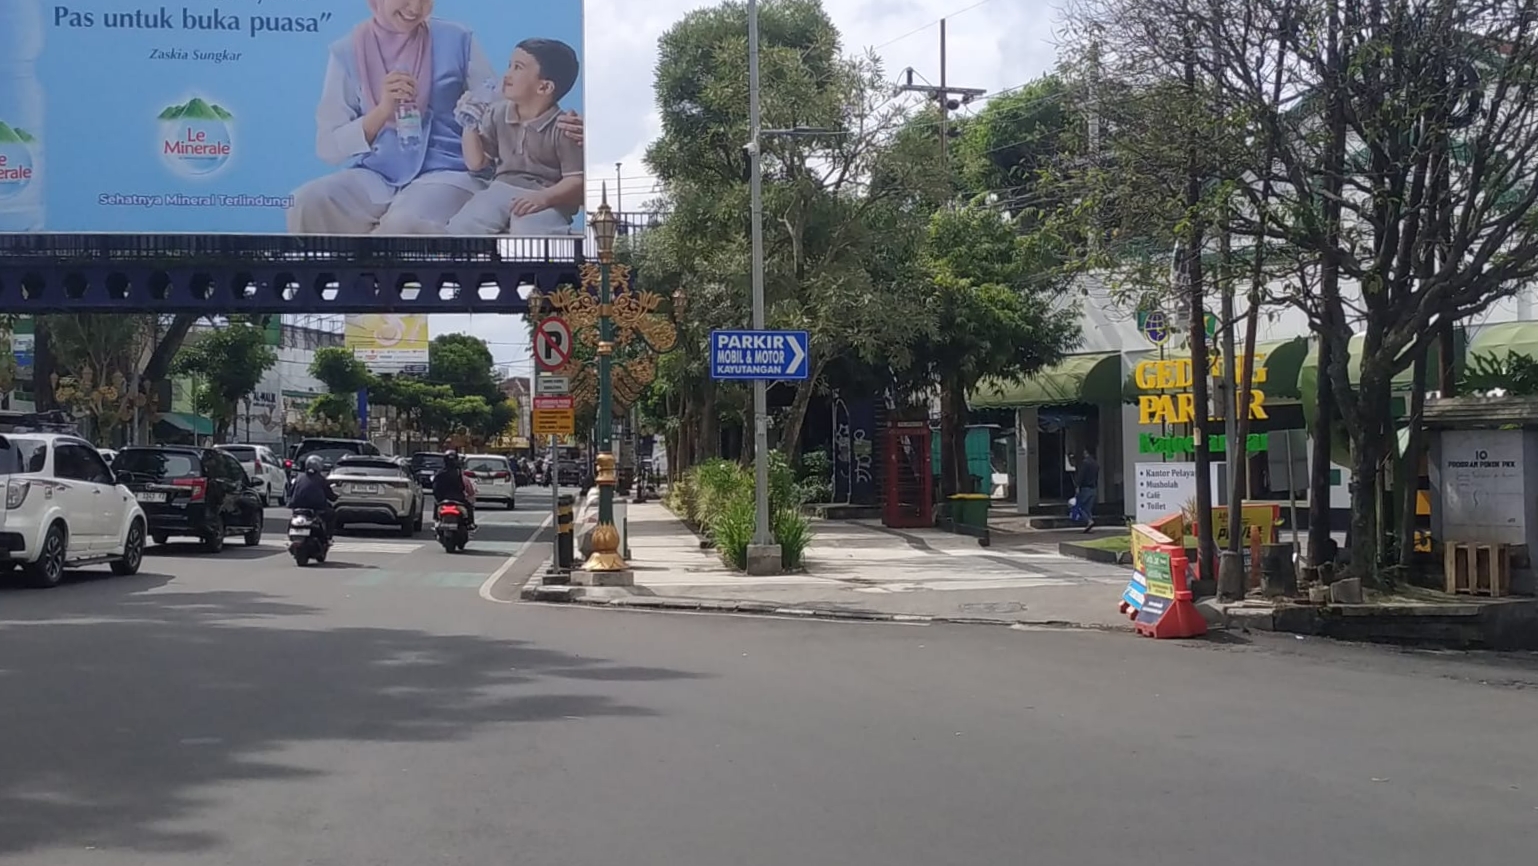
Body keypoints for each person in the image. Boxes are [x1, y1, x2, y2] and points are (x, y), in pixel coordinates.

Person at [286, 0, 585, 235]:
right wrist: (382, 112)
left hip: (449, 172)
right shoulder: (346, 52)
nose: (415, 8)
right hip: (376, 174)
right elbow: (327, 147)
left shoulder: (456, 38)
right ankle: (338, 291)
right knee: (307, 202)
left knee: (403, 224)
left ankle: (389, 303)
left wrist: (558, 121)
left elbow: (503, 98)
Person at [445, 38, 584, 235]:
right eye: (509, 66)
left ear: (544, 87)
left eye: (518, 68)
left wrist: (544, 198)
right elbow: (477, 163)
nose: (507, 75)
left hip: (545, 195)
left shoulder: (564, 127)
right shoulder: (498, 114)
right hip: (501, 189)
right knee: (465, 225)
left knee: (529, 230)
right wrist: (470, 126)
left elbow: (575, 180)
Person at [289, 456, 339, 539]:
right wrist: (335, 497)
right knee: (332, 514)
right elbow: (330, 495)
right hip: (316, 507)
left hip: (297, 506)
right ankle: (328, 537)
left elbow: (290, 492)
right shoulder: (321, 479)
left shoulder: (299, 477)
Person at [432, 449, 476, 529]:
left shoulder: (440, 473)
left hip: (443, 499)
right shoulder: (457, 472)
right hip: (457, 498)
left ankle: (436, 520)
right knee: (469, 506)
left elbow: (435, 489)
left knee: (436, 504)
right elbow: (462, 486)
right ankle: (470, 523)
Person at [1075, 447, 1099, 533]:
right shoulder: (1096, 464)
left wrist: (1077, 485)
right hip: (1093, 488)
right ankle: (1089, 523)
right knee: (1088, 508)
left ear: (1086, 452)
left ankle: (1089, 521)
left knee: (1081, 507)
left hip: (1085, 488)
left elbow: (1081, 475)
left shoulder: (1085, 463)